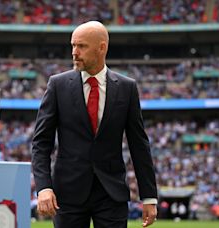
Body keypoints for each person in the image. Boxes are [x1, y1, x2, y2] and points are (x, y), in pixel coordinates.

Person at [31, 21, 158, 228]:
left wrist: (149, 197)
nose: (74, 52)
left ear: (102, 48)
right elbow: (41, 142)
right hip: (68, 194)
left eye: (81, 46)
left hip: (111, 194)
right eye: (73, 45)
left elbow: (139, 145)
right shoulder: (57, 85)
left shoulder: (127, 88)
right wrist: (44, 187)